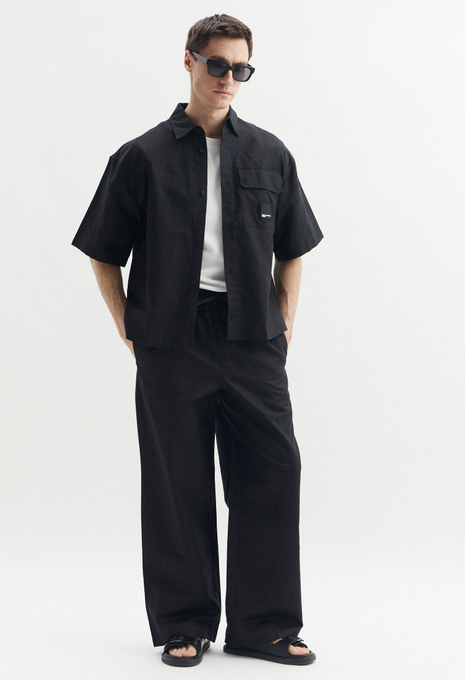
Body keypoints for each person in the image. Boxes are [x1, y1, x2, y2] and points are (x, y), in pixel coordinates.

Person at [72, 13, 323, 667]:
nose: (228, 79)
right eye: (217, 65)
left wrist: (285, 320)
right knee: (176, 483)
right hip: (171, 340)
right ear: (188, 62)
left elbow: (293, 246)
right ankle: (184, 623)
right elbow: (103, 250)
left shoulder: (269, 153)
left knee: (273, 472)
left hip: (253, 338)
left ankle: (263, 626)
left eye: (240, 69)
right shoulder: (141, 157)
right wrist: (128, 325)